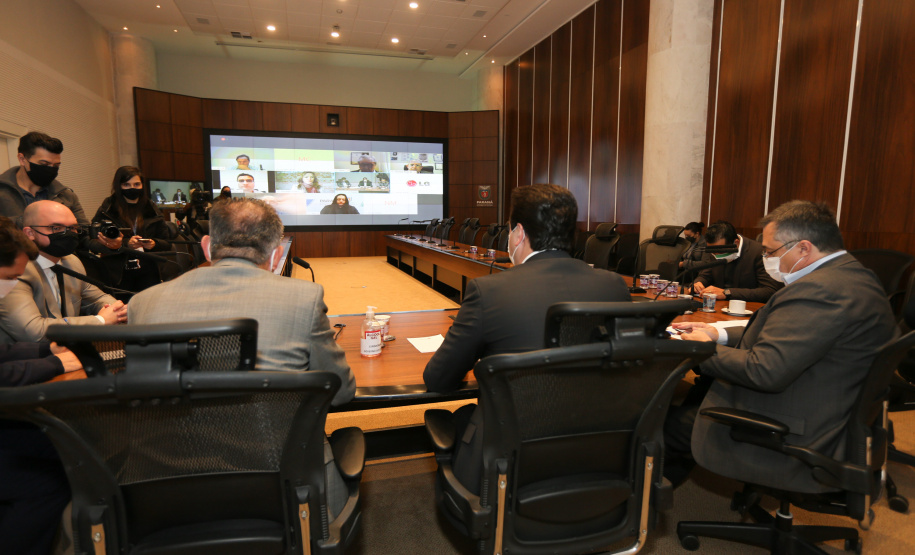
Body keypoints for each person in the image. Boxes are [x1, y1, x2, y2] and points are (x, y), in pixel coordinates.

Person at [128, 198, 355, 515]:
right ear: (277, 253)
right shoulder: (303, 298)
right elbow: (341, 392)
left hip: (166, 484)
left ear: (207, 247)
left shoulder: (143, 303)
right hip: (281, 478)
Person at [668, 200, 897, 493]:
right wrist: (716, 333)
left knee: (662, 419)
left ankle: (642, 506)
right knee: (695, 394)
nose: (766, 258)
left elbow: (764, 371)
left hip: (802, 430)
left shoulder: (819, 291)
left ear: (803, 248)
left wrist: (700, 350)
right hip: (827, 401)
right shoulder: (854, 274)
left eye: (770, 251)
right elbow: (789, 337)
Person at [423, 184, 632, 493]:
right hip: (594, 451)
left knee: (463, 416)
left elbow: (438, 379)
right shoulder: (614, 287)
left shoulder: (489, 291)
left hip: (509, 462)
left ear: (518, 232)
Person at [0, 201, 127, 343]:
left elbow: (97, 299)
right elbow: (34, 331)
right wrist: (100, 320)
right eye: (56, 227)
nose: (67, 234)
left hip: (65, 352)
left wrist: (119, 311)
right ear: (30, 233)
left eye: (73, 228)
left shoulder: (71, 262)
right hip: (18, 359)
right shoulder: (13, 270)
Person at [90, 166, 174, 292]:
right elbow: (94, 239)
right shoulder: (108, 208)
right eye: (126, 185)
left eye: (136, 184)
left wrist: (154, 244)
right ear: (119, 186)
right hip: (118, 272)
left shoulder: (151, 207)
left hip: (148, 269)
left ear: (142, 185)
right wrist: (125, 243)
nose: (132, 188)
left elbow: (167, 242)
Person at [0, 131, 89, 227]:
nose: (50, 169)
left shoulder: (66, 196)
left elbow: (84, 234)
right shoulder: (3, 193)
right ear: (22, 159)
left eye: (56, 165)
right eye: (44, 164)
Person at [692, 220, 781, 303]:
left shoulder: (759, 253)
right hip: (719, 306)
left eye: (720, 251)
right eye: (713, 252)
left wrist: (727, 293)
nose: (716, 255)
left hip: (748, 308)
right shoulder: (713, 251)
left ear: (736, 243)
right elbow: (706, 275)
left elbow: (769, 291)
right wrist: (699, 283)